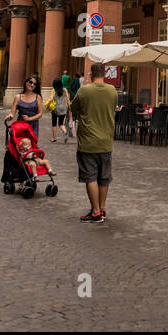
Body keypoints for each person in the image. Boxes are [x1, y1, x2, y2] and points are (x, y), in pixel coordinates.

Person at [70, 63, 117, 223]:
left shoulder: (85, 90)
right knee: (104, 177)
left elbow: (74, 107)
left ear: (90, 74)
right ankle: (102, 208)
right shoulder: (112, 91)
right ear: (105, 73)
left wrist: (84, 85)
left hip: (88, 141)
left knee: (91, 177)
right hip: (106, 141)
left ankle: (95, 211)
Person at [51, 78, 70, 142]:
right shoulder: (65, 90)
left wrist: (47, 105)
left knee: (54, 123)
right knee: (61, 123)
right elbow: (68, 100)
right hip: (63, 108)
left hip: (56, 108)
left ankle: (54, 138)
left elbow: (51, 99)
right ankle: (65, 132)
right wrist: (70, 108)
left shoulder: (53, 90)